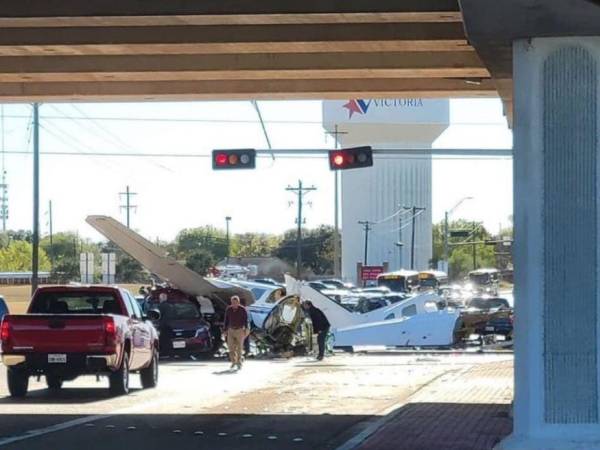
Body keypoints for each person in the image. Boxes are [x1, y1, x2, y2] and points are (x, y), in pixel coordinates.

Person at [223, 295, 249, 370]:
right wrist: (224, 330)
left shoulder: (242, 309)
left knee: (239, 347)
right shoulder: (229, 309)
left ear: (238, 302)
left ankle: (239, 362)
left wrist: (246, 328)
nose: (234, 304)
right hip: (231, 330)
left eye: (235, 302)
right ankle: (233, 361)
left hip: (240, 330)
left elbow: (246, 320)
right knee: (231, 347)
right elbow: (226, 320)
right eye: (232, 302)